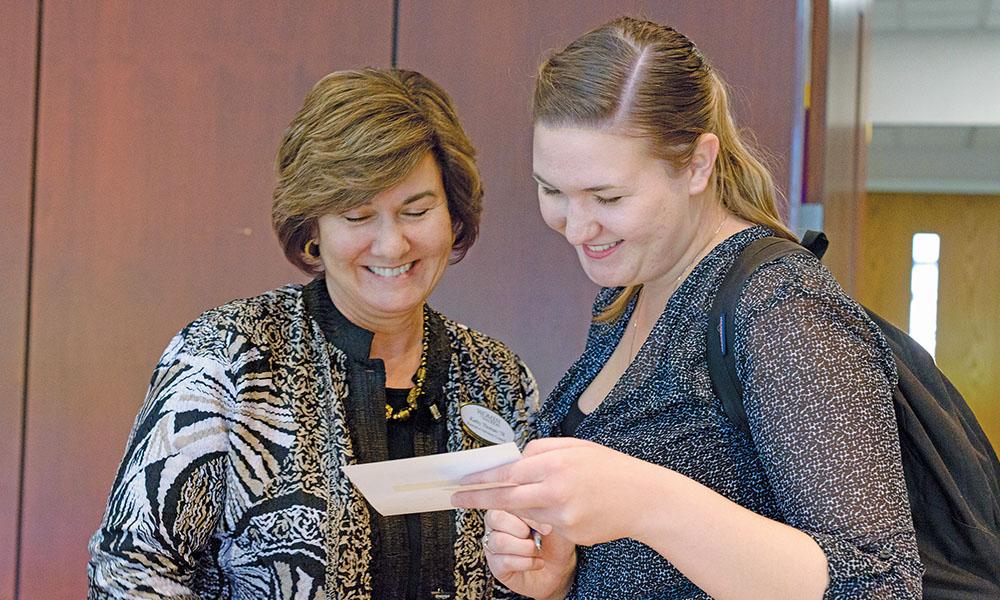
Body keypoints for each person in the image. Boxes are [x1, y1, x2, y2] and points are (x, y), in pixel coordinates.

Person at [452, 16, 923, 600]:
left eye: (608, 197)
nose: (576, 227)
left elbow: (878, 582)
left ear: (698, 164)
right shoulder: (630, 291)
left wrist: (647, 502)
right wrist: (561, 577)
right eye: (552, 190)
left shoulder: (779, 306)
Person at [88, 68, 538, 599]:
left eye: (416, 210)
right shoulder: (227, 358)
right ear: (313, 231)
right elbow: (130, 574)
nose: (392, 245)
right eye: (357, 215)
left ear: (454, 217)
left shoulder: (500, 379)